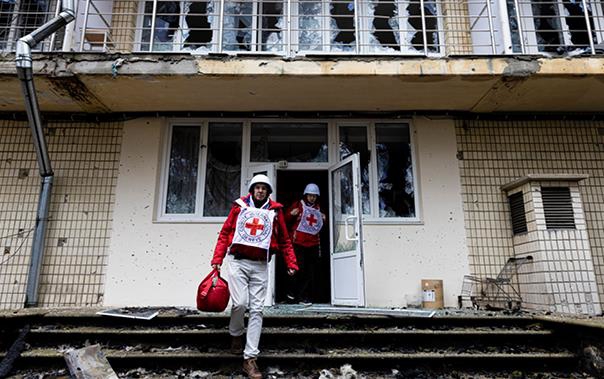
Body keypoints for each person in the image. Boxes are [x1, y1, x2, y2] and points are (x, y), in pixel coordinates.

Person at [211, 174, 298, 379]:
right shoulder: (239, 207)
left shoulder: (275, 211)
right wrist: (217, 258)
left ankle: (250, 358)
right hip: (238, 261)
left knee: (257, 310)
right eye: (257, 187)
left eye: (264, 188)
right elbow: (225, 234)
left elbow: (285, 240)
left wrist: (291, 262)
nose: (260, 190)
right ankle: (235, 335)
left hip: (260, 265)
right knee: (240, 303)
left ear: (268, 191)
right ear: (252, 190)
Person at [284, 183, 325, 305]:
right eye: (310, 195)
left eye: (314, 196)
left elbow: (319, 226)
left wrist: (324, 218)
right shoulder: (298, 205)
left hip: (312, 244)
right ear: (306, 195)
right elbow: (285, 220)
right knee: (296, 269)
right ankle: (290, 294)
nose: (312, 198)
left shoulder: (318, 209)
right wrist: (291, 214)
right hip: (298, 242)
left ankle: (302, 297)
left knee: (309, 271)